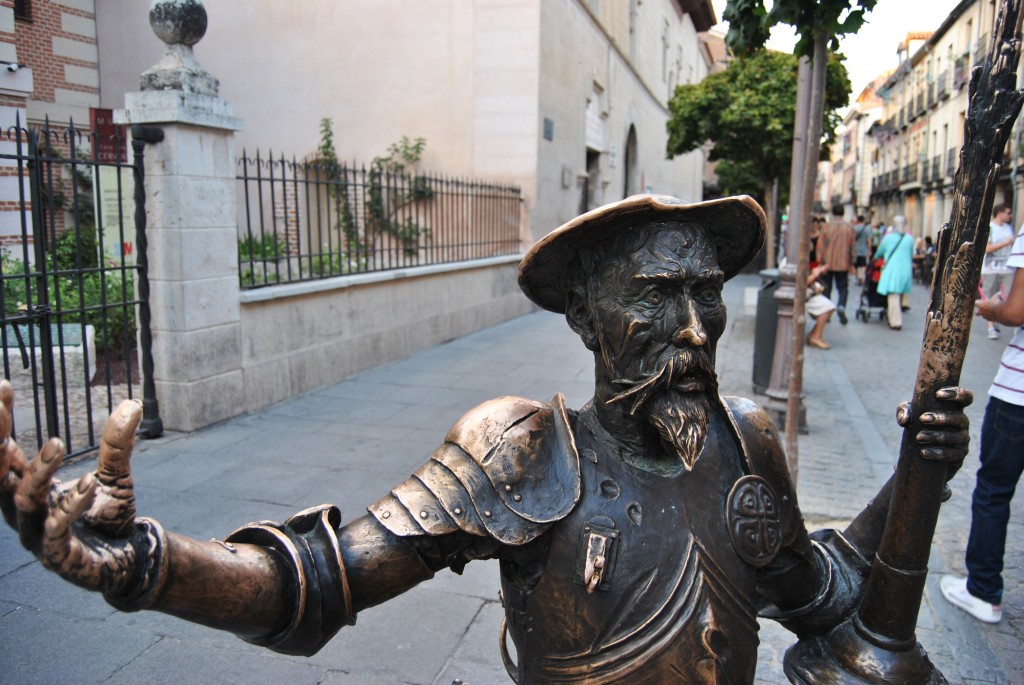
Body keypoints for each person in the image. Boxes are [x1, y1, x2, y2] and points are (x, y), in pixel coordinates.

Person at [0, 195, 971, 683]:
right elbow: (320, 579)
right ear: (587, 320)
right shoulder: (519, 451)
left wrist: (913, 477)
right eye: (656, 296)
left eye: (705, 295)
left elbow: (827, 599)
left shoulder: (743, 441)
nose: (692, 331)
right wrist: (143, 566)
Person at [941, 220, 1024, 624]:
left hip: (1019, 394)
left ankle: (983, 591)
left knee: (993, 489)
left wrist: (990, 308)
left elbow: (1016, 310)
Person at [980, 203, 1015, 340]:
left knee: (1008, 296)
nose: (1010, 215)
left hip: (1007, 268)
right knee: (990, 297)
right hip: (991, 268)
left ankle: (998, 318)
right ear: (999, 213)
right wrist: (1005, 244)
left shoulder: (1008, 228)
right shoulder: (990, 228)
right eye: (1008, 212)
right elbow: (987, 249)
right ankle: (991, 326)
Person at [874, 215, 914, 330]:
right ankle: (892, 315)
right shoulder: (909, 239)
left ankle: (895, 321)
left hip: (892, 270)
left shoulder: (888, 238)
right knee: (899, 294)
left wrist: (876, 258)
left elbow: (879, 252)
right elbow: (911, 254)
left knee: (893, 296)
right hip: (905, 270)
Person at [818, 206, 856, 325]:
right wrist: (852, 262)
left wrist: (820, 260)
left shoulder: (827, 226)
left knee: (826, 288)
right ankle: (841, 306)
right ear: (843, 213)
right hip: (843, 263)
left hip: (827, 263)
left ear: (833, 213)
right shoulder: (849, 227)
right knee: (843, 288)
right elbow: (852, 247)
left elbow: (820, 245)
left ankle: (827, 312)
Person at [806, 263, 836, 349]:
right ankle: (815, 336)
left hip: (807, 293)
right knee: (828, 306)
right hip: (802, 295)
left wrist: (818, 272)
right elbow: (802, 282)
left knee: (829, 306)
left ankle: (815, 334)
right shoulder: (791, 261)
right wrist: (815, 274)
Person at [853, 215, 871, 285]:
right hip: (864, 249)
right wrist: (870, 249)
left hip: (855, 249)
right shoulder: (867, 229)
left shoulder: (854, 228)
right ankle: (861, 275)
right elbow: (869, 240)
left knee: (855, 265)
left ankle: (857, 278)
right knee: (863, 264)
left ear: (857, 220)